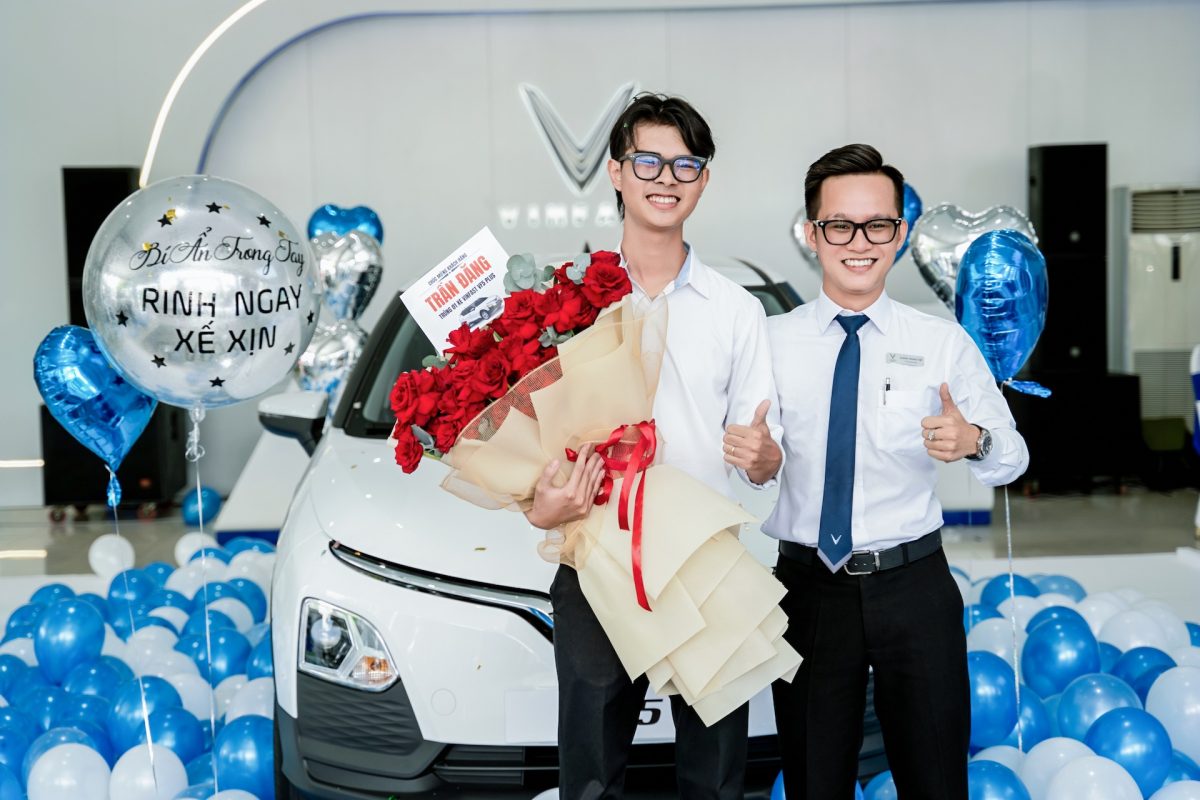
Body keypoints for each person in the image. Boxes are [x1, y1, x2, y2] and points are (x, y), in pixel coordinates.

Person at [523, 93, 784, 799]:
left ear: (703, 181)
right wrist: (540, 504)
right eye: (648, 161)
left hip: (705, 558)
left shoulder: (736, 310)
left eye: (685, 165)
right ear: (615, 171)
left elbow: (764, 453)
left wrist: (766, 459)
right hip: (594, 554)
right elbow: (529, 436)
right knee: (591, 773)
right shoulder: (565, 302)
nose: (666, 178)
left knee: (716, 772)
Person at [764, 143, 1030, 798]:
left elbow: (1012, 458)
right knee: (813, 780)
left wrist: (974, 440)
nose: (859, 243)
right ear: (812, 233)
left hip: (914, 587)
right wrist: (754, 460)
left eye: (877, 225)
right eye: (840, 225)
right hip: (807, 591)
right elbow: (748, 458)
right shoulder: (770, 343)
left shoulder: (940, 342)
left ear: (900, 233)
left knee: (935, 777)